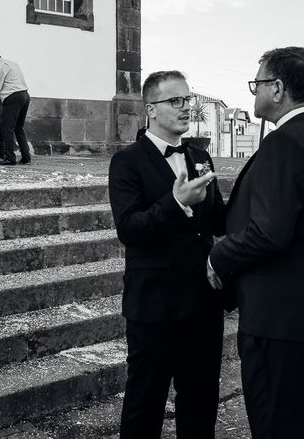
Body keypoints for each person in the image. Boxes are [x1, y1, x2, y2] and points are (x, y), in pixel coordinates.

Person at [208, 47, 304, 439]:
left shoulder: (286, 142)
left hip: (282, 325)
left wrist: (219, 255)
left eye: (259, 83)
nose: (254, 93)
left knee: (278, 426)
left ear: (278, 88)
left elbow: (270, 232)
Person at [109, 70, 226, 438]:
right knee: (145, 405)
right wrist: (176, 203)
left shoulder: (200, 156)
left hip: (203, 303)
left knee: (201, 402)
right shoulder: (127, 162)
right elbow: (130, 228)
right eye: (175, 101)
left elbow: (219, 220)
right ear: (151, 110)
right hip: (154, 305)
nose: (186, 107)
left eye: (187, 100)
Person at [0, 48, 31, 166]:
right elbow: (9, 80)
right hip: (24, 95)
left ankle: (9, 158)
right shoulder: (13, 64)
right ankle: (26, 158)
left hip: (13, 97)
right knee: (19, 128)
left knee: (6, 128)